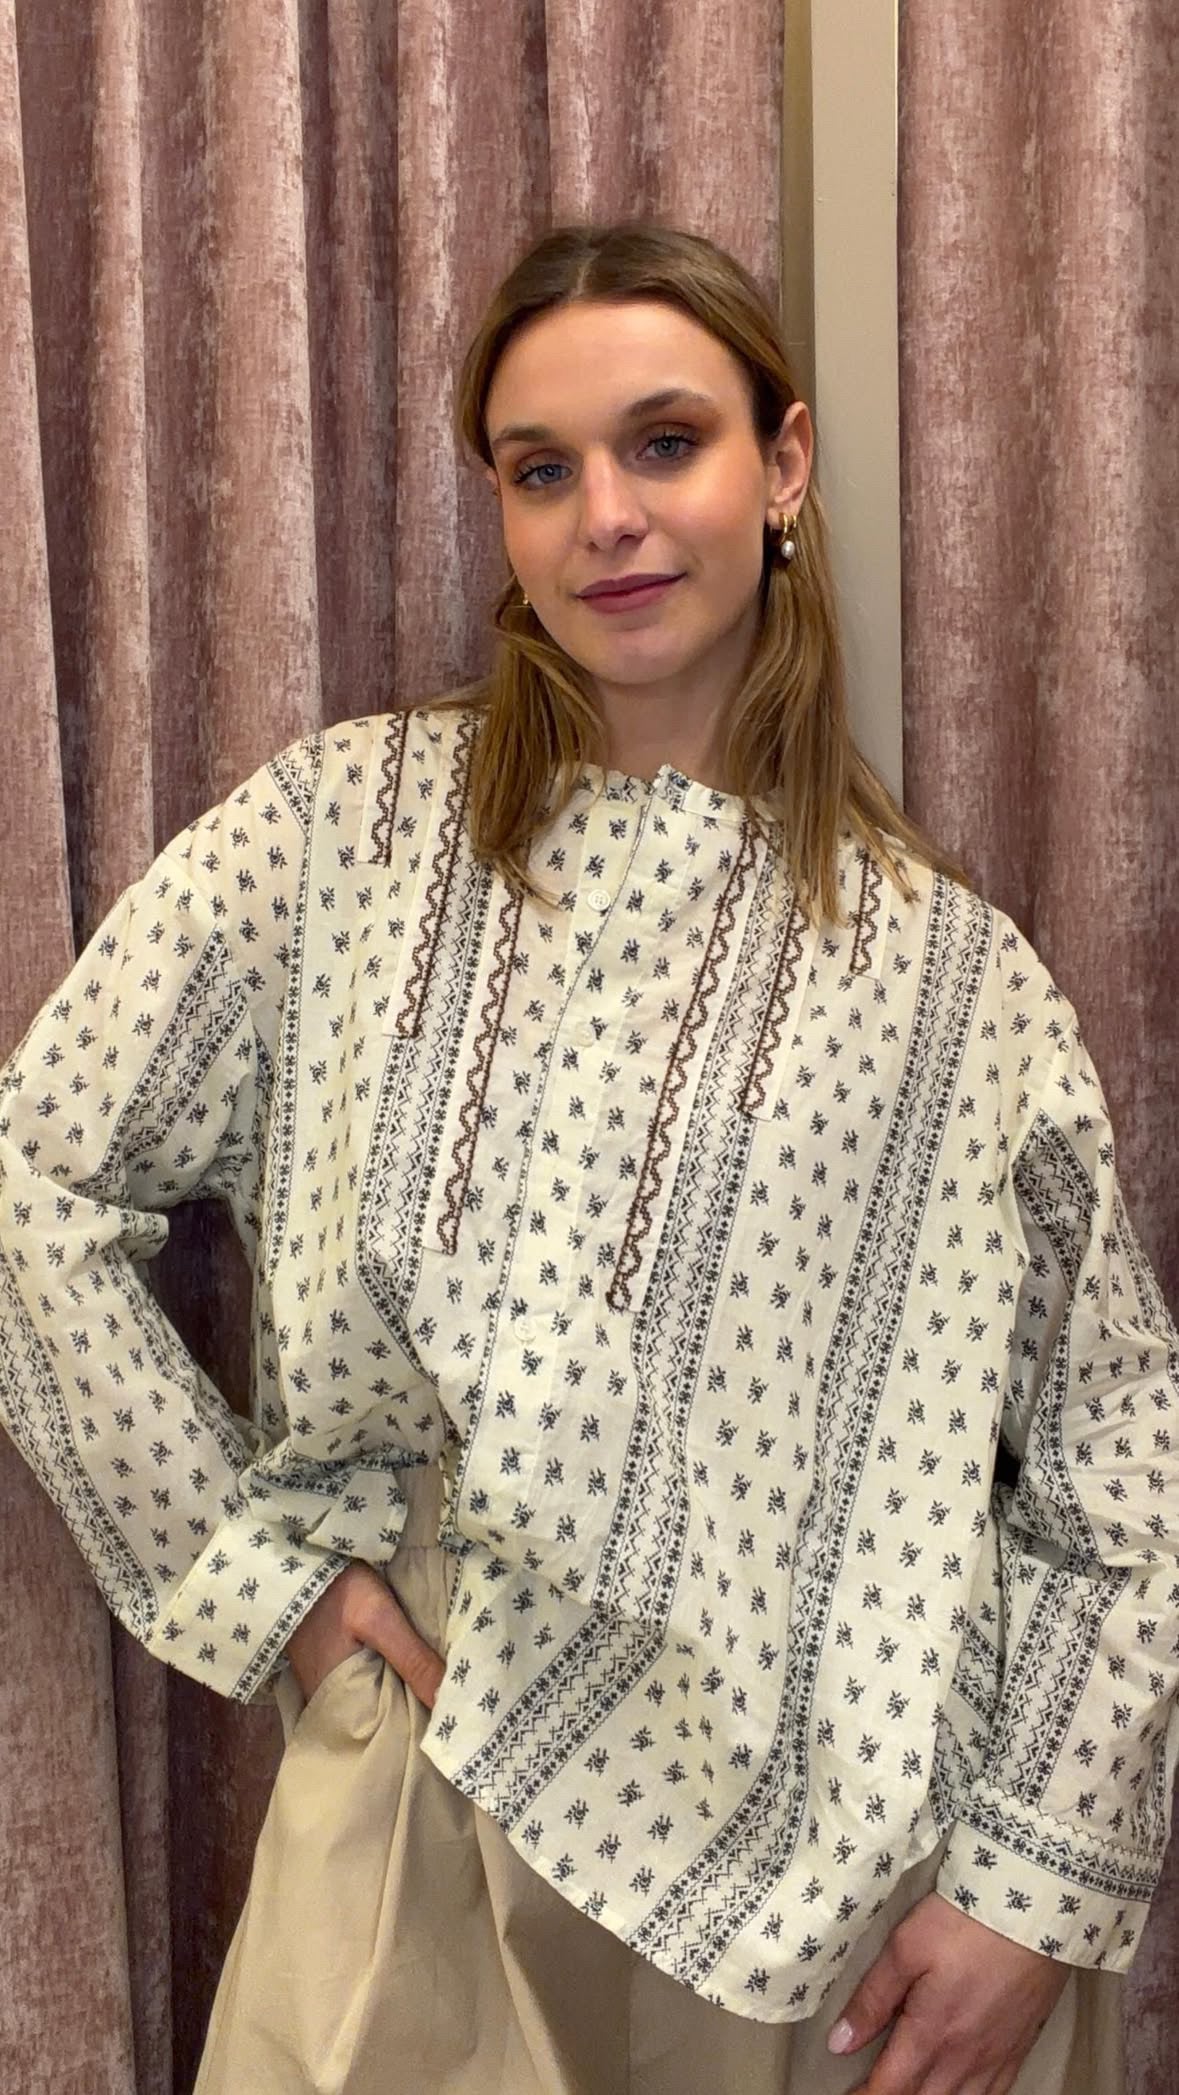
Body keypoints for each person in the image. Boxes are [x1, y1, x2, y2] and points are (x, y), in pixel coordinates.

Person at [0, 219, 1173, 2095]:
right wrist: (262, 1583)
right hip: (427, 1793)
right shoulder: (339, 838)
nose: (606, 517)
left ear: (783, 466)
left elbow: (1115, 1437)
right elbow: (34, 1183)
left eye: (666, 443)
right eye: (541, 470)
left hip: (853, 1888)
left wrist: (1037, 1889)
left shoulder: (954, 981)